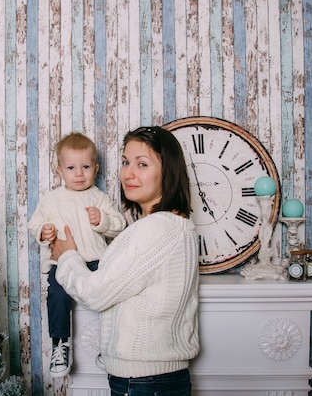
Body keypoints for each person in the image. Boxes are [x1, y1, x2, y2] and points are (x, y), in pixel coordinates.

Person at [50, 126, 200, 396]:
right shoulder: (175, 226)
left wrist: (67, 255)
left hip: (145, 381)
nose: (128, 173)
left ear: (169, 172)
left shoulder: (157, 228)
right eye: (125, 162)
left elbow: (95, 294)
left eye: (142, 164)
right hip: (153, 378)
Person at [27, 132, 127, 378]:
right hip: (62, 262)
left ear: (96, 168)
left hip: (96, 260)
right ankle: (60, 344)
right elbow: (34, 224)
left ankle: (109, 343)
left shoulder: (99, 198)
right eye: (71, 167)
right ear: (59, 170)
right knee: (57, 296)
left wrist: (102, 220)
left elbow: (119, 225)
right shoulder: (51, 200)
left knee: (111, 296)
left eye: (85, 167)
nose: (79, 174)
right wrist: (44, 231)